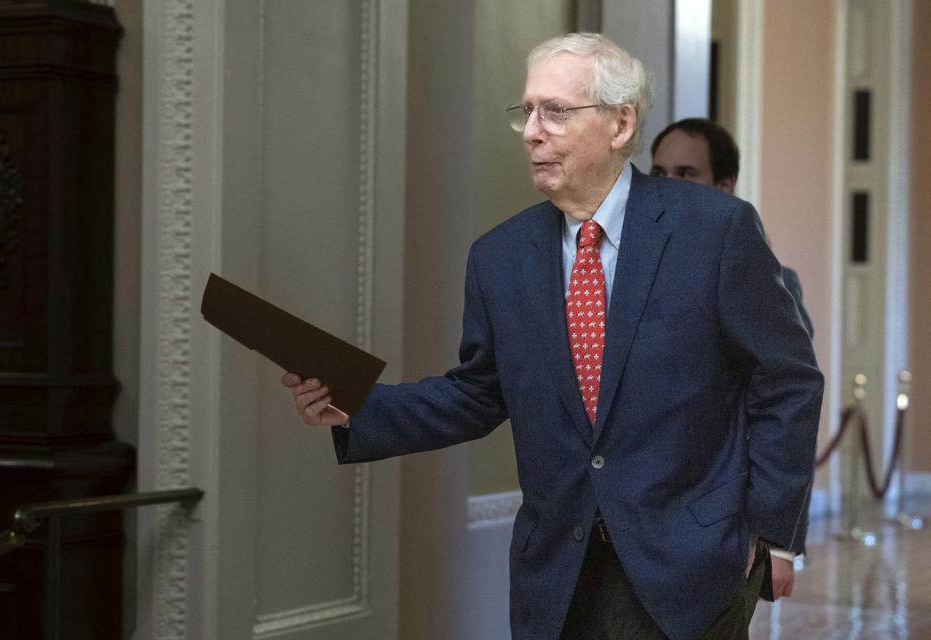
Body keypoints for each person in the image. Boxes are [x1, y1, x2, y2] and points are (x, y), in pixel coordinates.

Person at [283, 33, 822, 640]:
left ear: (621, 124)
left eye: (556, 112)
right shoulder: (499, 257)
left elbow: (787, 381)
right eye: (528, 112)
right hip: (558, 576)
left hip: (691, 567)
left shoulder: (716, 231)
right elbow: (477, 394)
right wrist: (358, 407)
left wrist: (771, 531)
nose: (533, 132)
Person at [650, 118, 814, 338]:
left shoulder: (761, 274)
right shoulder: (635, 256)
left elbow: (789, 362)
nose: (667, 185)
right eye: (659, 173)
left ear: (724, 185)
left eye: (685, 174)